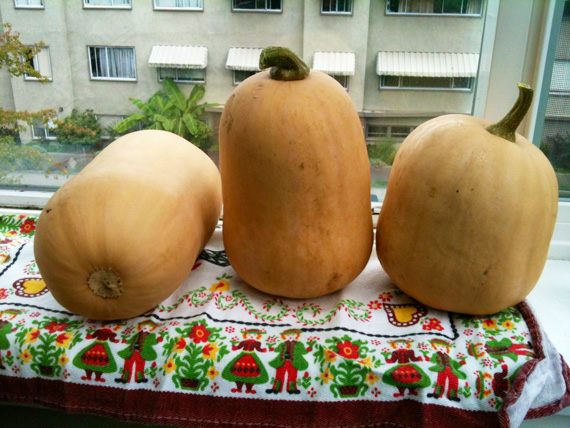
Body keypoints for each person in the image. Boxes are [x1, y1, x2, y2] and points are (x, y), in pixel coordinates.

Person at [266, 329, 310, 395]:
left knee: (292, 376)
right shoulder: (282, 344)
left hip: (293, 362)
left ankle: (292, 389)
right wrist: (270, 347)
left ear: (297, 335)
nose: (290, 336)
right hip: (282, 361)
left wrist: (310, 347)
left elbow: (304, 351)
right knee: (279, 375)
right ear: (285, 336)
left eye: (293, 335)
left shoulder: (299, 344)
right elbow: (276, 350)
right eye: (288, 335)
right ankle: (276, 389)